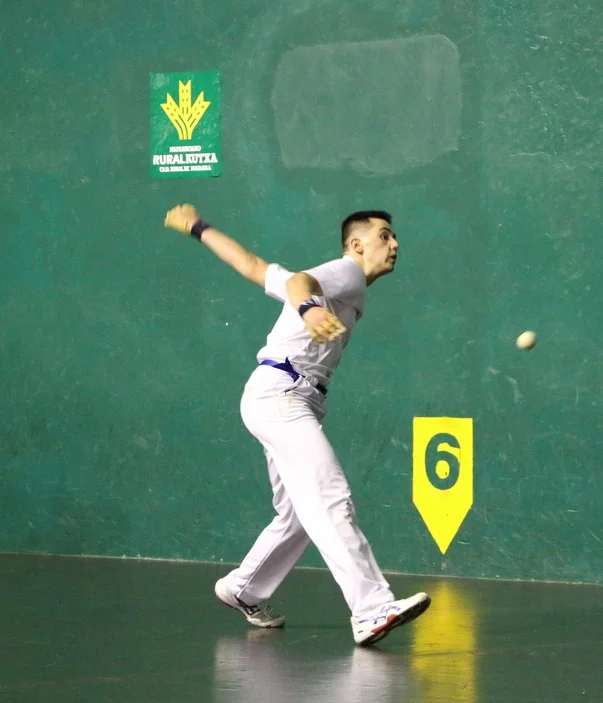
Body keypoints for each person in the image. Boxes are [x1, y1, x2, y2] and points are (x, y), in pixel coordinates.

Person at [163, 204, 430, 647]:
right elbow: (300, 282)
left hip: (282, 395)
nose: (395, 243)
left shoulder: (342, 284)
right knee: (329, 496)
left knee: (297, 514)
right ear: (356, 244)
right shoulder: (347, 272)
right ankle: (370, 608)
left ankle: (243, 588)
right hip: (282, 395)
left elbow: (251, 265)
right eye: (385, 235)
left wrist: (197, 226)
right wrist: (308, 308)